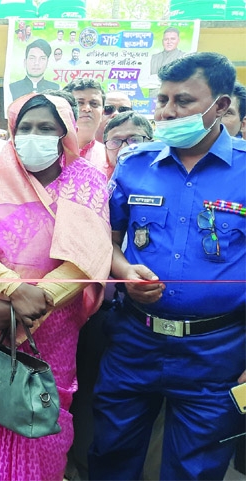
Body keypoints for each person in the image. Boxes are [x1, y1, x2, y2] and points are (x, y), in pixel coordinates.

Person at [89, 52, 246, 481]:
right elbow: (107, 240)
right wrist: (123, 272)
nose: (166, 112)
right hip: (134, 341)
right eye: (162, 100)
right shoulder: (135, 164)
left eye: (183, 101)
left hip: (217, 353)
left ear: (221, 106)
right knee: (110, 455)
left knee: (195, 470)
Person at [0, 93, 112, 480]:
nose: (32, 136)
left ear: (64, 134)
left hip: (52, 326)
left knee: (39, 411)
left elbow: (87, 257)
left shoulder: (85, 181)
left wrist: (29, 303)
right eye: (25, 127)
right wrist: (11, 291)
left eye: (46, 128)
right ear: (13, 131)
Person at [65, 109, 154, 480]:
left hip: (147, 317)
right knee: (90, 398)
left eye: (136, 139)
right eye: (117, 140)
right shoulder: (89, 183)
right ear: (105, 146)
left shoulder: (157, 183)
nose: (126, 147)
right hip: (95, 315)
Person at [63, 79, 109, 176]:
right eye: (80, 103)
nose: (87, 109)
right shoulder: (51, 154)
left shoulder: (110, 156)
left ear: (102, 112)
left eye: (94, 104)